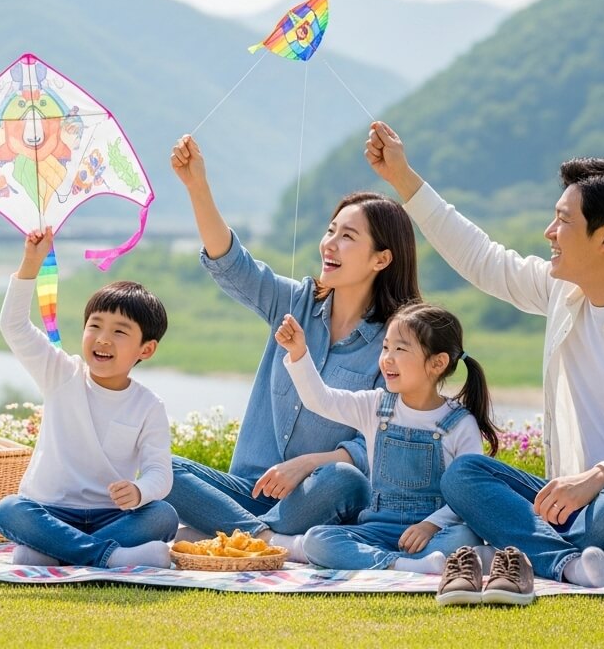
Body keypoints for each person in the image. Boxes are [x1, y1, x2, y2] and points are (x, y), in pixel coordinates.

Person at [364, 121, 604, 588]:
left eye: (564, 220)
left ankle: (531, 543)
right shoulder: (564, 291)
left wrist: (600, 475)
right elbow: (482, 258)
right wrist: (403, 178)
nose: (549, 232)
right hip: (571, 502)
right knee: (464, 475)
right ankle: (571, 562)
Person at [167, 134, 421, 559]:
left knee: (346, 479)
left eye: (348, 237)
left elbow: (381, 441)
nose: (330, 244)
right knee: (165, 471)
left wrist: (308, 464)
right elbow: (232, 264)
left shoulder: (393, 343)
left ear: (381, 259)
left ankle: (234, 536)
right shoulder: (294, 303)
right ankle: (266, 541)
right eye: (330, 231)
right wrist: (197, 185)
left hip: (317, 494)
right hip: (249, 491)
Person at [0, 228, 178, 569]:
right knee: (9, 511)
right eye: (95, 326)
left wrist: (139, 492)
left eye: (119, 331)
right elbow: (14, 326)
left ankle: (54, 551)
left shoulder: (149, 405)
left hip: (112, 516)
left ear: (146, 349)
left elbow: (158, 472)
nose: (103, 339)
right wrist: (30, 263)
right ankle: (110, 557)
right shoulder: (61, 373)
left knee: (163, 516)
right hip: (49, 510)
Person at [273, 303, 497, 572]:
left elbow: (469, 494)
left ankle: (394, 563)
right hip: (377, 530)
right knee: (318, 540)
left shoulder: (460, 424)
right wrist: (298, 352)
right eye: (385, 347)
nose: (387, 358)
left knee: (464, 538)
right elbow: (320, 400)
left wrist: (430, 525)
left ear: (437, 363)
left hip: (432, 533)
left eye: (400, 349)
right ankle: (408, 567)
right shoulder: (375, 406)